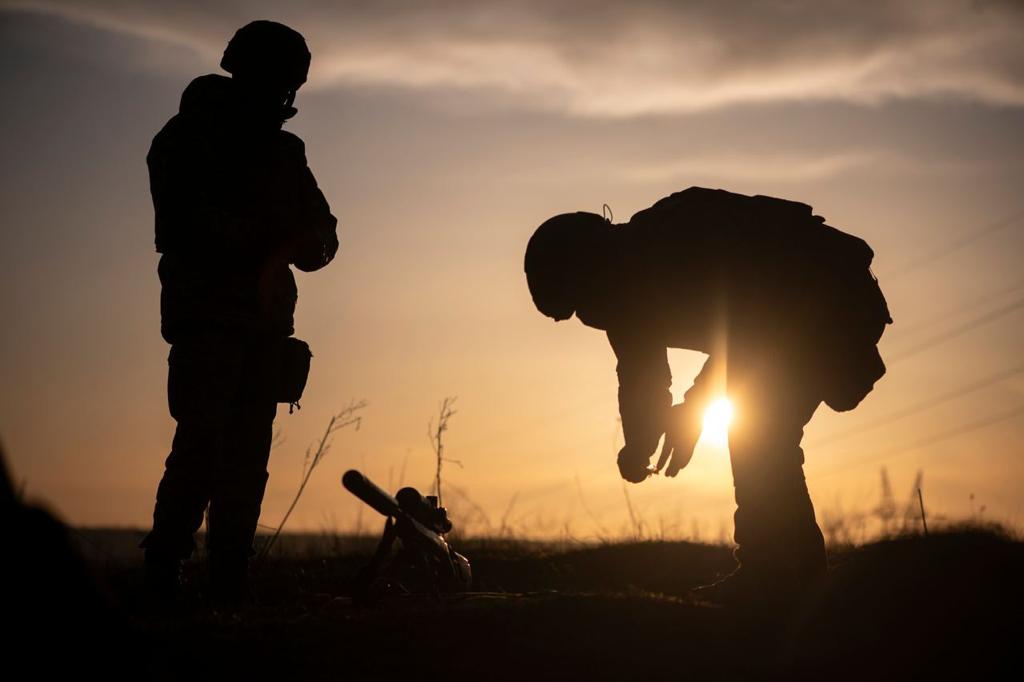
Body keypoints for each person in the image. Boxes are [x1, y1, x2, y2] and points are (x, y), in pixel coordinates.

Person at [524, 187, 891, 606]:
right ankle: (789, 577)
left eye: (582, 299)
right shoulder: (626, 291)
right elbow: (641, 376)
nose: (589, 313)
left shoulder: (670, 248)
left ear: (591, 265)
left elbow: (751, 330)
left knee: (762, 431)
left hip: (829, 304)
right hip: (790, 323)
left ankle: (779, 577)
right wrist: (639, 446)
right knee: (763, 428)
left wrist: (696, 407)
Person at [141, 20, 339, 604]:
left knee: (248, 457)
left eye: (292, 85)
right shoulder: (187, 138)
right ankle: (164, 573)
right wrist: (268, 244)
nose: (287, 96)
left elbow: (324, 238)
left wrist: (286, 249)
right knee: (200, 446)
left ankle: (229, 578)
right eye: (280, 82)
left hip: (266, 327)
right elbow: (185, 225)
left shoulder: (286, 152)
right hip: (209, 320)